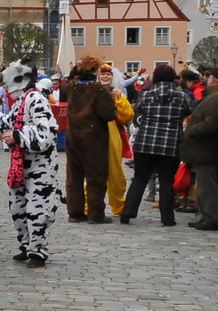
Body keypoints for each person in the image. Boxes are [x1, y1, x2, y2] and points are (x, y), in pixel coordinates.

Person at [0, 60, 58, 267]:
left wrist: (17, 136)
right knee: (17, 207)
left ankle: (38, 252)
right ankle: (26, 245)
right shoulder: (20, 101)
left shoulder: (36, 99)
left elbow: (45, 135)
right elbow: (10, 122)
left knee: (36, 208)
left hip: (40, 166)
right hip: (21, 165)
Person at [120, 63, 196, 226]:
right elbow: (189, 111)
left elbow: (140, 110)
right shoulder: (181, 96)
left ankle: (127, 212)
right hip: (170, 144)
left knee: (140, 178)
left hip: (145, 142)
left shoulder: (146, 94)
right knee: (166, 181)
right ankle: (167, 218)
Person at [62, 56, 118, 222]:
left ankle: (75, 211)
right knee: (96, 176)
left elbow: (68, 81)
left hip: (73, 136)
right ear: (96, 71)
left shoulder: (72, 87)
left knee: (74, 176)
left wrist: (75, 69)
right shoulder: (98, 90)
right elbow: (108, 114)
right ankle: (95, 213)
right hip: (93, 138)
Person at [183, 66, 218, 230]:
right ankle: (206, 215)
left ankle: (211, 217)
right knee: (204, 185)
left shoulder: (217, 98)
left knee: (208, 185)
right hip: (205, 149)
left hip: (208, 149)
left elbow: (211, 124)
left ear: (213, 80)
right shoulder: (215, 96)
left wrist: (191, 131)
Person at [99, 62, 134, 217]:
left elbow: (127, 116)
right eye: (103, 74)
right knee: (93, 173)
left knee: (115, 173)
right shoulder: (92, 91)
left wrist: (119, 99)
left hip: (113, 134)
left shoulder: (118, 93)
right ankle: (90, 205)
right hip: (94, 135)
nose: (105, 77)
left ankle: (119, 205)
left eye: (108, 74)